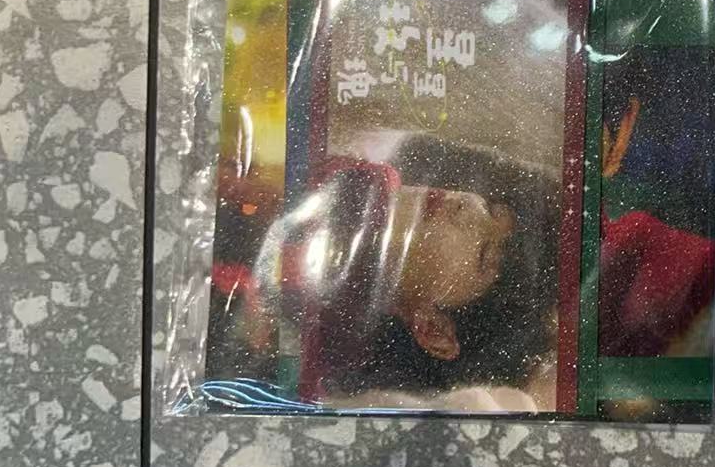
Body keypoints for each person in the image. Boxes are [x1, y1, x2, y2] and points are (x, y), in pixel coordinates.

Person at [224, 135, 561, 409]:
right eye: (491, 208)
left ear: (433, 330)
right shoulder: (360, 170)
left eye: (484, 254)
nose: (468, 207)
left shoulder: (310, 356)